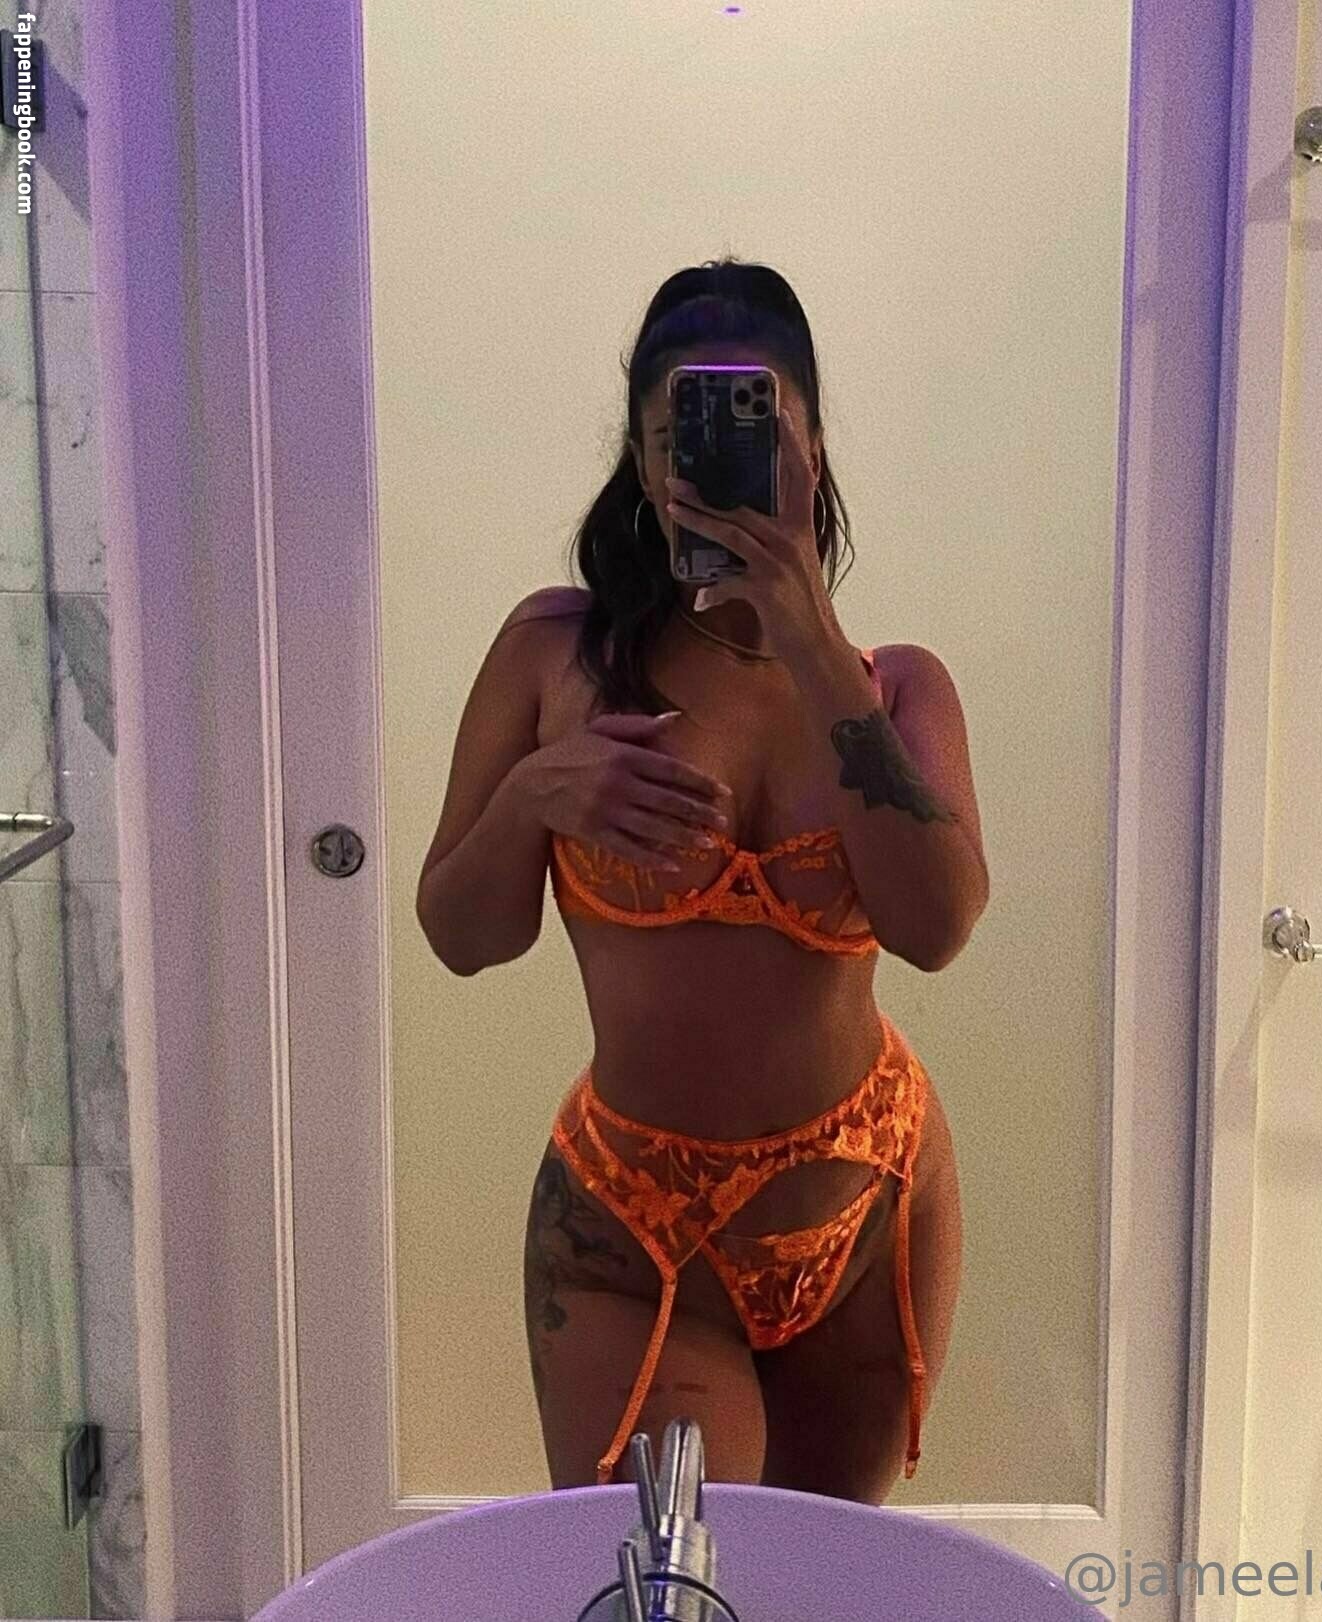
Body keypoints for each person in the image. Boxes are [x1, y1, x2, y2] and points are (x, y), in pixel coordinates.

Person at [416, 257, 988, 1504]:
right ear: (639, 457)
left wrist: (807, 634)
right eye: (679, 437)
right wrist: (535, 794)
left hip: (872, 1196)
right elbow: (462, 933)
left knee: (821, 1575)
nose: (710, 463)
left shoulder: (896, 685)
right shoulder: (554, 655)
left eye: (757, 428)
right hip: (633, 1228)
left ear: (813, 449)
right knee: (669, 1585)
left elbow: (938, 923)